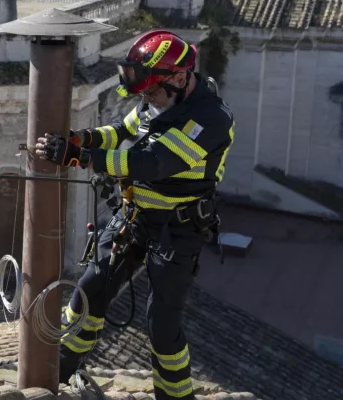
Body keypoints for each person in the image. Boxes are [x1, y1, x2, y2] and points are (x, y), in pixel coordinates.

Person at [35, 30, 234, 400]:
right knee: (89, 290)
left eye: (151, 92)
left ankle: (174, 397)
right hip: (135, 218)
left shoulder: (210, 118)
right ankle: (59, 370)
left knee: (161, 323)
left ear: (179, 78)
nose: (146, 100)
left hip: (179, 229)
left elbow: (152, 163)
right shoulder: (156, 96)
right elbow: (123, 130)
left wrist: (80, 158)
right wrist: (84, 139)